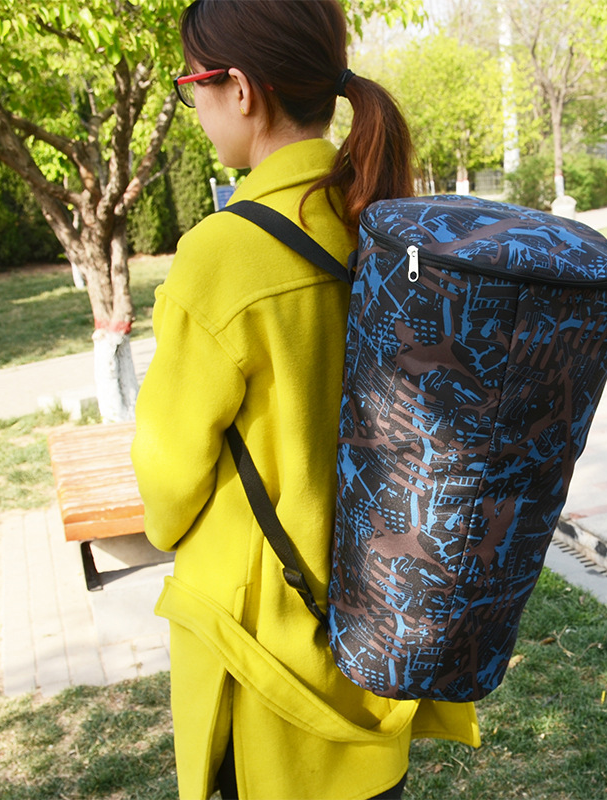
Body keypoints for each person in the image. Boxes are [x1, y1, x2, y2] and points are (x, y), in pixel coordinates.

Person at [131, 2, 480, 799]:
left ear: (240, 89)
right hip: (381, 633)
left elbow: (167, 485)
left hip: (267, 658)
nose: (194, 103)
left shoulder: (222, 254)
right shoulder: (383, 223)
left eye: (192, 83)